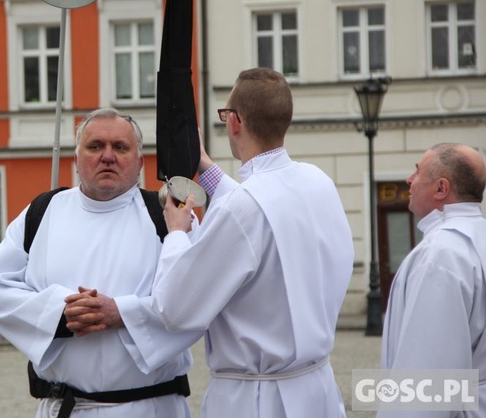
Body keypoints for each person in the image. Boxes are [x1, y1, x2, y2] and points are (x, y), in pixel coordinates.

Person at [152, 67, 355, 417]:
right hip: (316, 389)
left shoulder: (243, 207)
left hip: (256, 399)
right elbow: (265, 209)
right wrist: (206, 167)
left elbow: (175, 308)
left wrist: (176, 233)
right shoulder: (316, 180)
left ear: (234, 121)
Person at [0, 108, 202, 418]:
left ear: (140, 162)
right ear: (76, 159)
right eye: (95, 146)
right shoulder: (42, 212)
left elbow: (197, 299)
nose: (107, 156)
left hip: (149, 407)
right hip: (64, 408)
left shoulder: (169, 218)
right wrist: (59, 314)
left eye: (120, 147)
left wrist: (122, 313)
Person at [379, 143, 486, 418]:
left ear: (441, 188)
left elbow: (427, 380)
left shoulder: (440, 256)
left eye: (417, 172)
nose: (409, 180)